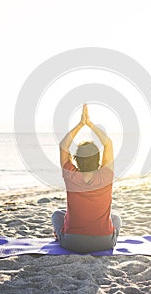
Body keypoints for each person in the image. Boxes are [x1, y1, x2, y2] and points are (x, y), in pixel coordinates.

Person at [52, 104, 121, 253]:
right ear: (98, 159)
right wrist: (90, 124)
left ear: (77, 159)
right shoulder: (106, 174)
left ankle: (60, 235)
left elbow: (63, 145)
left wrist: (80, 124)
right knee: (116, 219)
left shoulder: (71, 174)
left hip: (72, 242)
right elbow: (108, 143)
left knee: (57, 215)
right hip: (103, 242)